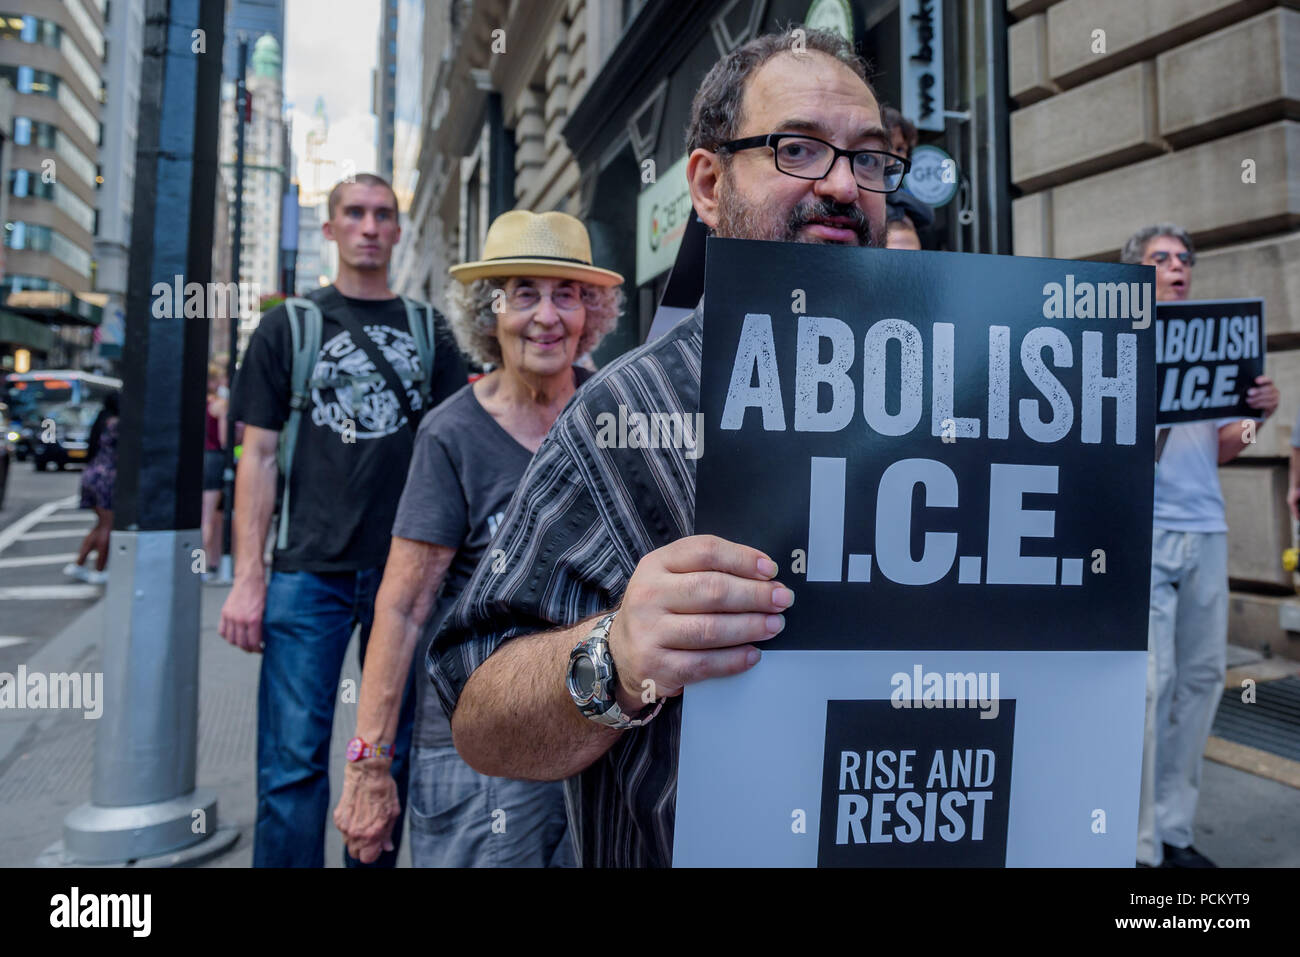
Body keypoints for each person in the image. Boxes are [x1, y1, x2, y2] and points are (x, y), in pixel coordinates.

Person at [428, 28, 897, 867]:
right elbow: (477, 714)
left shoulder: (951, 397)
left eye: (869, 159)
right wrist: (614, 657)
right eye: (798, 148)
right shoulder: (624, 413)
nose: (841, 183)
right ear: (709, 186)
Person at [334, 209, 623, 867]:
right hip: (479, 749)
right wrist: (370, 762)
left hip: (601, 734)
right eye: (524, 293)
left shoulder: (614, 413)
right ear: (489, 313)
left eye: (567, 294)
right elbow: (403, 608)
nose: (547, 316)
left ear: (592, 313)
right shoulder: (451, 434)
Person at [219, 172, 468, 867]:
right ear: (329, 229)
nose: (368, 225)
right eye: (353, 213)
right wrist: (248, 577)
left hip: (408, 580)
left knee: (387, 755)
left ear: (395, 230)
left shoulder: (430, 332)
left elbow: (455, 451)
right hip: (307, 574)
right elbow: (258, 458)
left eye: (382, 214)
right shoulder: (286, 328)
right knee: (291, 765)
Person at [1123, 223, 1279, 868]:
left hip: (1205, 527)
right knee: (1151, 685)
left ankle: (1175, 829)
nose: (1177, 267)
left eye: (1184, 259)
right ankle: (1138, 846)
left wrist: (1255, 416)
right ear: (1137, 272)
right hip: (1145, 529)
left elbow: (1222, 447)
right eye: (1162, 259)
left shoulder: (1216, 348)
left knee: (1203, 677)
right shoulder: (1124, 341)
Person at [65, 391, 120, 585]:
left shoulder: (101, 420)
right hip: (107, 477)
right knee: (107, 524)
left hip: (91, 474)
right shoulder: (116, 424)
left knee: (101, 523)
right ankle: (99, 569)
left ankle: (79, 564)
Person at [201, 360, 228, 581]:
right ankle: (200, 568)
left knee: (213, 516)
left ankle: (212, 563)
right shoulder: (220, 405)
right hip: (215, 460)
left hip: (201, 459)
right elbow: (224, 440)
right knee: (208, 518)